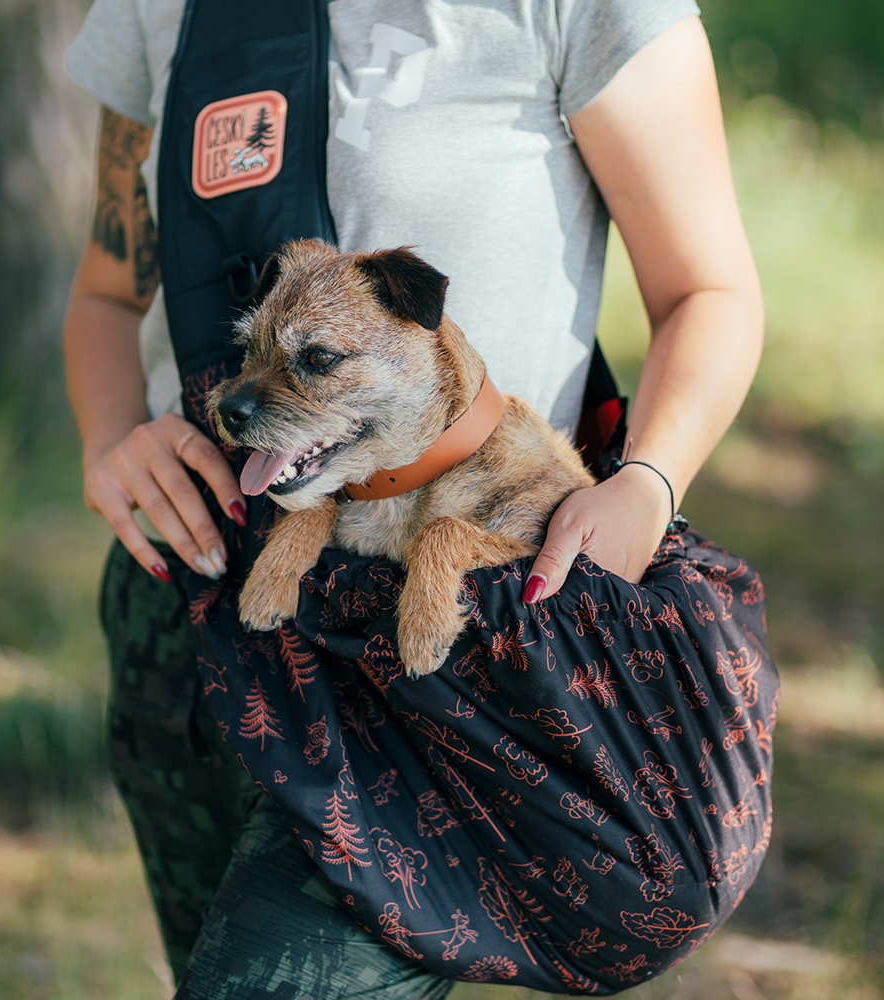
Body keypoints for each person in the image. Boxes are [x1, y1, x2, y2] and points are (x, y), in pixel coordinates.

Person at [63, 1, 770, 996]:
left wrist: (645, 486)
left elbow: (709, 289)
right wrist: (107, 441)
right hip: (193, 597)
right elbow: (106, 288)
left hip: (436, 627)